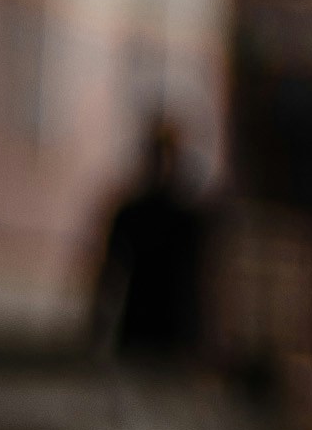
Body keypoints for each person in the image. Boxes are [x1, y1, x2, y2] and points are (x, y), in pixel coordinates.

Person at [89, 113, 218, 363]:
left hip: (171, 332)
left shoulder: (186, 218)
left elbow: (200, 279)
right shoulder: (135, 214)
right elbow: (110, 271)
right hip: (142, 328)